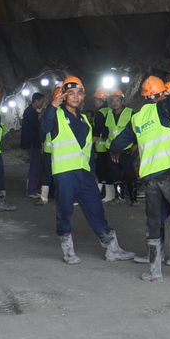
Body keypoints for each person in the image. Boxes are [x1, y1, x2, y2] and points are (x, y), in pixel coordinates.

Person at [114, 74, 170, 280]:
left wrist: (114, 151)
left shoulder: (136, 118)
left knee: (153, 221)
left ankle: (154, 271)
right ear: (161, 95)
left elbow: (117, 142)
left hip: (149, 176)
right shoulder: (162, 109)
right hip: (168, 172)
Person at [43, 77, 135, 265]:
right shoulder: (56, 116)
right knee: (65, 210)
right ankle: (68, 249)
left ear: (83, 96)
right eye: (71, 93)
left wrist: (93, 173)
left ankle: (112, 249)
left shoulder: (85, 119)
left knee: (96, 209)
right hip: (65, 173)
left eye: (79, 93)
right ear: (63, 95)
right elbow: (43, 128)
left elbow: (88, 149)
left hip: (84, 174)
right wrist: (52, 106)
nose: (75, 97)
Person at [99, 91, 136, 203]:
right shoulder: (109, 114)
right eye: (112, 101)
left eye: (117, 100)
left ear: (122, 101)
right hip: (112, 152)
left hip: (126, 150)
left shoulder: (131, 113)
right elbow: (105, 133)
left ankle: (132, 199)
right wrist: (111, 148)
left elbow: (137, 132)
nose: (115, 103)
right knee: (115, 174)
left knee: (129, 174)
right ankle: (120, 197)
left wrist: (134, 148)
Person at [20, 91, 50, 203]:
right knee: (35, 166)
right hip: (33, 144)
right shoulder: (31, 113)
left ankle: (31, 189)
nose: (42, 104)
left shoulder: (30, 112)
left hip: (31, 143)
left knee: (35, 166)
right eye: (41, 102)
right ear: (36, 101)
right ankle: (31, 191)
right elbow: (37, 129)